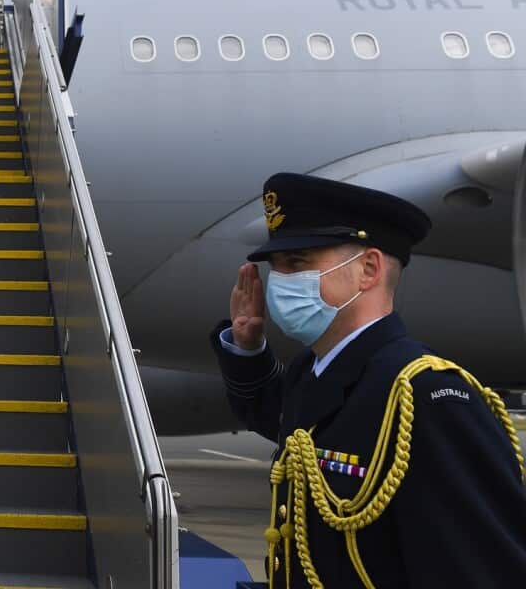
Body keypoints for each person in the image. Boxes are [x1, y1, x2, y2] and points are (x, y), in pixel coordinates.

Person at [212, 173, 526, 588]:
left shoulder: (427, 397)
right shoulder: (317, 370)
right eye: (279, 268)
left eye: (299, 263)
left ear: (369, 269)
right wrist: (247, 348)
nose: (281, 282)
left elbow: (481, 568)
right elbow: (287, 420)